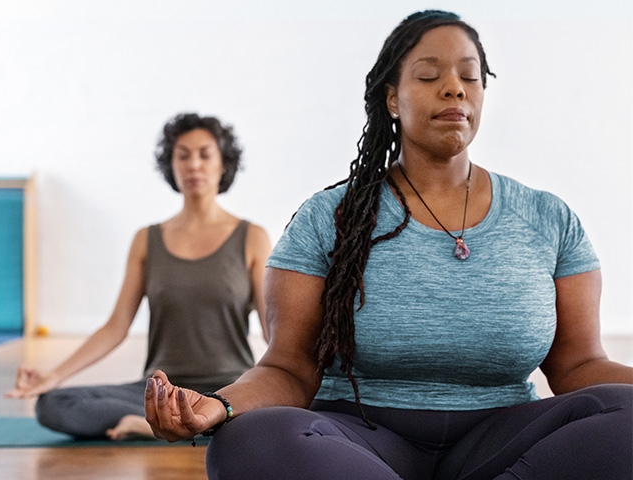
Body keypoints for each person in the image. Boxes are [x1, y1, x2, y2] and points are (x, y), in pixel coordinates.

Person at [144, 11, 633, 480]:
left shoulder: (548, 218)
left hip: (502, 441)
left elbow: (579, 365)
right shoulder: (327, 218)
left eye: (471, 75)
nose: (454, 87)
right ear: (392, 99)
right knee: (248, 440)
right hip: (359, 440)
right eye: (428, 76)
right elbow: (288, 367)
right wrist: (221, 405)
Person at [5, 112, 272, 440]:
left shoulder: (253, 237)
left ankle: (179, 423)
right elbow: (115, 328)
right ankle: (166, 422)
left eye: (205, 154)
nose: (194, 165)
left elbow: (274, 330)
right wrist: (53, 376)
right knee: (54, 405)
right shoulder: (147, 240)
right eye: (183, 155)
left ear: (223, 164)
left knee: (279, 407)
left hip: (228, 389)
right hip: (160, 392)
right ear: (171, 165)